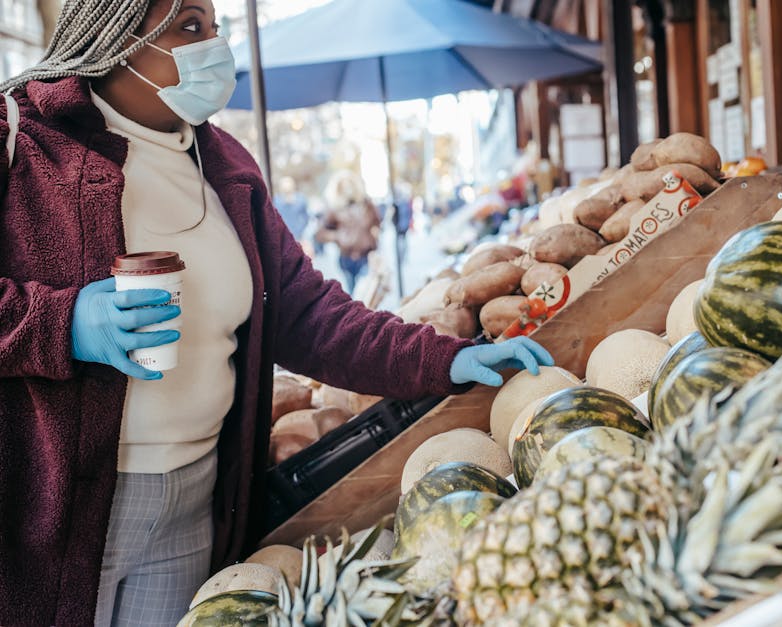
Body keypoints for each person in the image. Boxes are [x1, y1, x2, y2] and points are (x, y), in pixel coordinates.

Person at [0, 1, 553, 625]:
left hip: (198, 497)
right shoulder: (23, 143)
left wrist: (447, 358)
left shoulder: (225, 166)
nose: (215, 45)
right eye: (189, 26)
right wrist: (60, 322)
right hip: (58, 511)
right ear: (121, 34)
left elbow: (311, 314)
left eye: (215, 27)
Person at [317, 170, 381, 293]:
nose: (347, 188)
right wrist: (338, 237)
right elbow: (320, 234)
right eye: (344, 185)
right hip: (346, 258)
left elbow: (377, 224)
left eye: (350, 184)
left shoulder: (367, 205)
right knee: (352, 292)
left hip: (365, 256)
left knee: (365, 291)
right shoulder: (334, 209)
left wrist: (374, 239)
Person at [272, 175, 312, 256]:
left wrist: (300, 229)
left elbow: (306, 217)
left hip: (299, 238)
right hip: (283, 240)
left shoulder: (301, 199)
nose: (287, 189)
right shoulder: (276, 201)